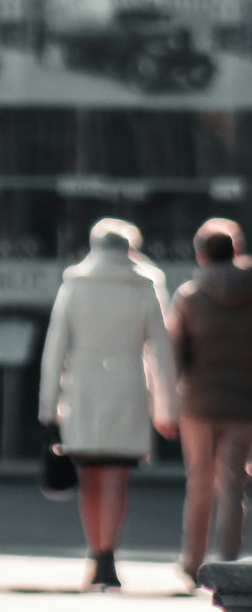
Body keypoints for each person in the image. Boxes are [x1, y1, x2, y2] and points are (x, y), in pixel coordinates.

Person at [38, 216, 179, 591]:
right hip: (127, 383)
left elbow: (56, 346)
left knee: (89, 475)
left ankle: (95, 553)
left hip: (82, 385)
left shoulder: (75, 283)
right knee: (117, 473)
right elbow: (161, 350)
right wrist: (167, 408)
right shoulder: (146, 283)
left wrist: (48, 405)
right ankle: (109, 554)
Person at [168, 219, 252, 588]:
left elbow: (175, 355)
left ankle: (192, 563)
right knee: (233, 484)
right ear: (236, 250)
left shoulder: (189, 295)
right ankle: (230, 563)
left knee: (199, 481)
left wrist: (169, 404)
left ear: (201, 254)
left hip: (199, 404)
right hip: (245, 403)